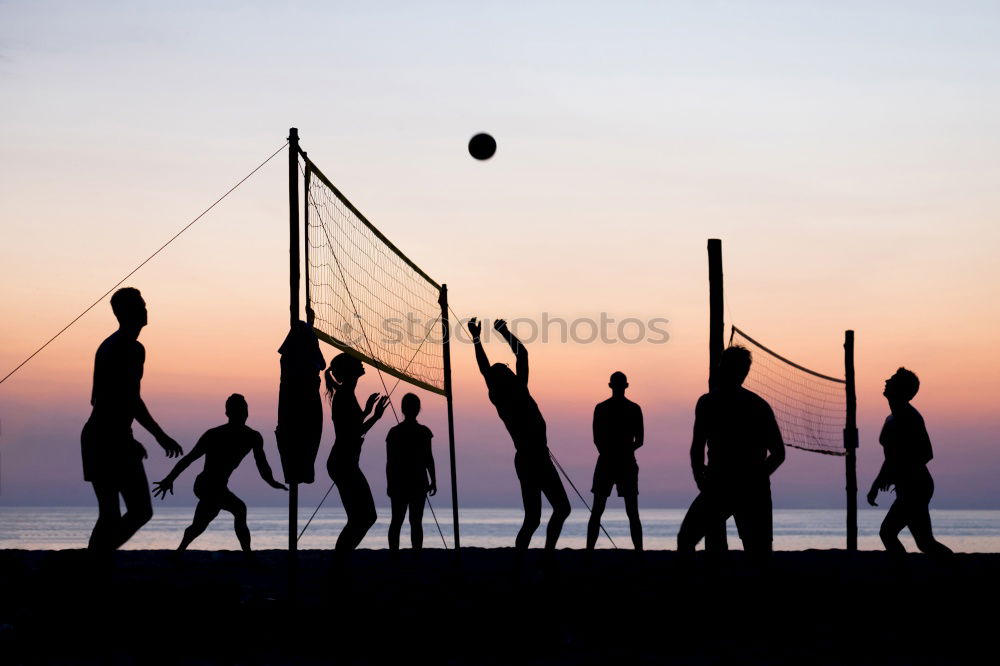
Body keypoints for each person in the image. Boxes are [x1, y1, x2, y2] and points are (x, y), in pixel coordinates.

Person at [81, 287, 183, 553]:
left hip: (107, 434)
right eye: (139, 305)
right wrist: (157, 436)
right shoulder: (126, 347)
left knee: (119, 514)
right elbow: (124, 399)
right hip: (104, 436)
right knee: (131, 511)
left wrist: (129, 437)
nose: (145, 309)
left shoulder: (118, 345)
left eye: (144, 303)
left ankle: (95, 563)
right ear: (124, 312)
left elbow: (119, 399)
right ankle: (94, 563)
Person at [469, 317, 570, 551]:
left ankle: (528, 559)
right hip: (533, 457)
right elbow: (519, 355)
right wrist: (502, 331)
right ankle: (542, 557)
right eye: (505, 368)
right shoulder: (514, 392)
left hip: (529, 457)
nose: (508, 368)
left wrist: (477, 337)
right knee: (556, 510)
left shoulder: (504, 395)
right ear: (505, 377)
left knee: (537, 517)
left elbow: (488, 369)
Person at [677, 345, 785, 556]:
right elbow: (779, 453)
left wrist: (752, 478)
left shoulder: (718, 403)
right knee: (689, 538)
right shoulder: (717, 403)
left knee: (757, 551)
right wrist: (702, 479)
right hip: (726, 485)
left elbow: (779, 453)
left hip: (733, 485)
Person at [152, 394, 287, 553]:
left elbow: (262, 464)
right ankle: (248, 556)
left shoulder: (253, 437)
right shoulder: (213, 434)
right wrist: (169, 479)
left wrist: (272, 482)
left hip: (220, 486)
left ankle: (179, 553)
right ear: (228, 414)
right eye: (238, 411)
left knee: (202, 522)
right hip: (204, 484)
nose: (242, 414)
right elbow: (189, 458)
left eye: (244, 410)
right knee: (238, 509)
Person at [867, 368, 953, 557]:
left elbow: (926, 453)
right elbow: (891, 458)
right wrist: (877, 483)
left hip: (917, 486)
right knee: (925, 542)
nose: (887, 380)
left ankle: (905, 573)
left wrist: (901, 472)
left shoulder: (910, 417)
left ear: (901, 389)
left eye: (893, 379)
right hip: (909, 487)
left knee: (888, 533)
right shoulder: (891, 418)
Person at [325, 353, 389, 552]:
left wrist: (367, 411)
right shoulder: (344, 395)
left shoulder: (347, 393)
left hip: (345, 462)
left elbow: (351, 426)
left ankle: (341, 561)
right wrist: (376, 416)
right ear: (349, 370)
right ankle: (340, 562)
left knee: (363, 517)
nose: (362, 362)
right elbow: (352, 433)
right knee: (364, 517)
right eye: (357, 361)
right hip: (343, 463)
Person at [588, 371, 644, 551]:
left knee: (598, 510)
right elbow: (640, 441)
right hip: (621, 462)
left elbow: (597, 439)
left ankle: (589, 552)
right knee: (630, 512)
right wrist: (625, 451)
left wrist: (610, 452)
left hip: (610, 461)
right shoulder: (633, 408)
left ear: (611, 385)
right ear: (625, 386)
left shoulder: (602, 408)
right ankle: (639, 553)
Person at [385, 393, 437, 551]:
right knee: (415, 522)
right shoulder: (423, 431)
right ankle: (415, 555)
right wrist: (433, 480)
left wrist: (390, 484)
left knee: (398, 521)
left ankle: (395, 556)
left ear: (402, 409)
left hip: (403, 483)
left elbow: (390, 463)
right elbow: (429, 458)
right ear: (418, 409)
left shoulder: (394, 432)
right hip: (417, 482)